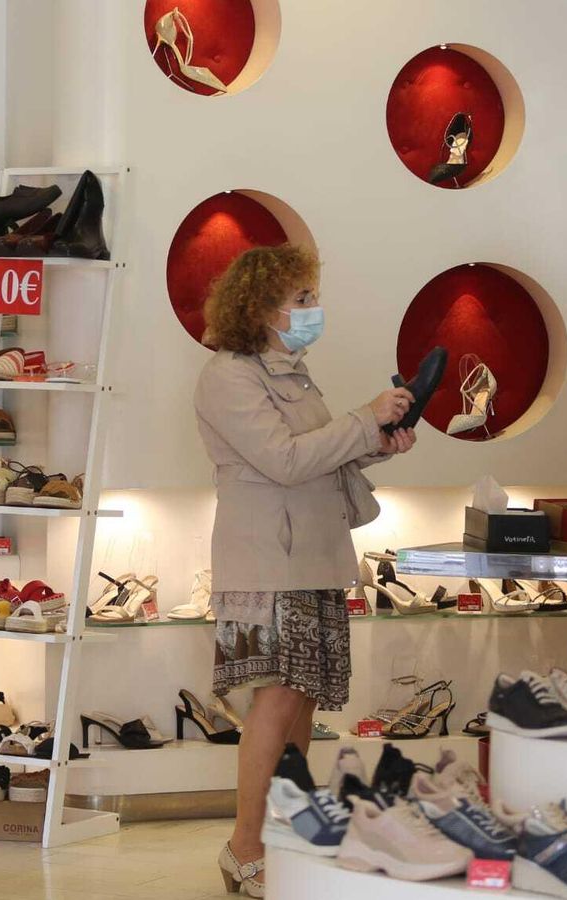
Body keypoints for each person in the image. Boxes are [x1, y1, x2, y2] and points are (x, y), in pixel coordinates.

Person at [193, 244, 416, 897]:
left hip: (310, 554)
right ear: (263, 307)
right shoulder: (228, 376)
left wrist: (378, 441)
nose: (314, 308)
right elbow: (284, 460)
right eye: (303, 298)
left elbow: (318, 455)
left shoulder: (290, 372)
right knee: (277, 699)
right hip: (268, 560)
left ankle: (284, 833)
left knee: (300, 701)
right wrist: (363, 420)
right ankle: (245, 845)